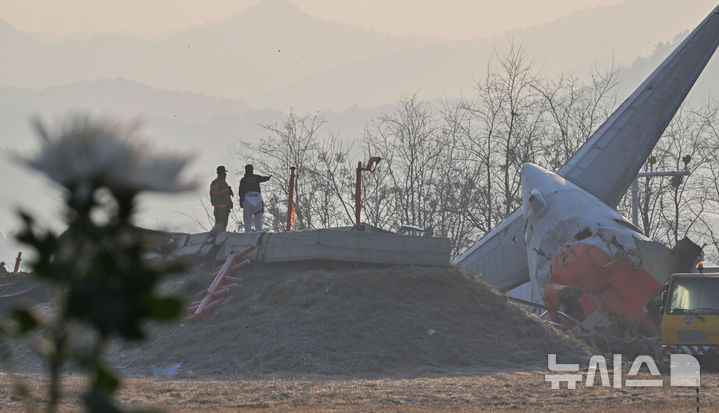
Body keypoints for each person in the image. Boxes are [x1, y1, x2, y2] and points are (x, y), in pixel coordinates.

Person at [238, 164, 271, 232]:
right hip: (257, 199)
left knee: (247, 219)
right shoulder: (256, 177)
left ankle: (248, 233)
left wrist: (241, 201)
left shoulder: (243, 180)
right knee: (258, 218)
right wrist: (268, 178)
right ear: (252, 170)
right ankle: (259, 232)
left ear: (246, 170)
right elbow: (263, 178)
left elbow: (240, 192)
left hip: (247, 199)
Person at [209, 165, 233, 233]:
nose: (225, 175)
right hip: (223, 209)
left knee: (218, 226)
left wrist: (214, 204)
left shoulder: (213, 183)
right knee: (222, 227)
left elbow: (211, 194)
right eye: (225, 173)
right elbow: (225, 195)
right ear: (223, 174)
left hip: (216, 208)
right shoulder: (223, 183)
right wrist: (230, 204)